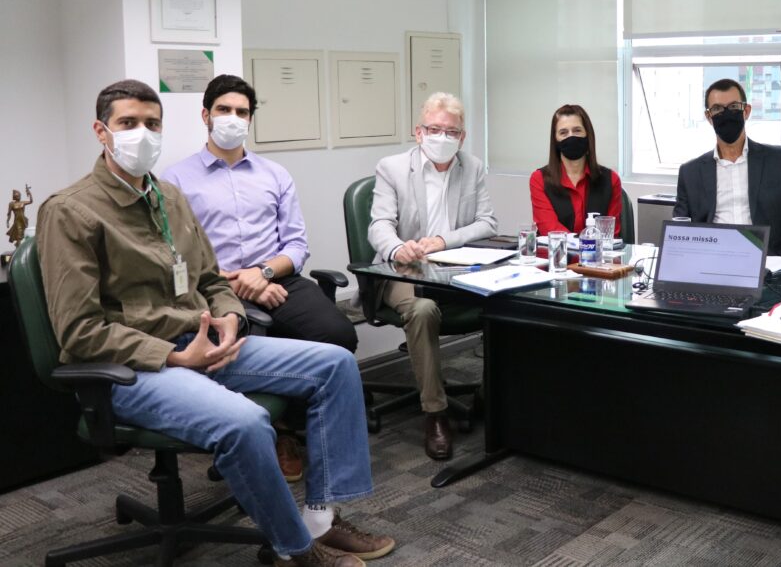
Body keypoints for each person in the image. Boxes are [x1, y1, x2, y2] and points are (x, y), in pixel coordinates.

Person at [37, 79, 393, 567]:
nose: (142, 134)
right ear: (102, 132)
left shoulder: (168, 197)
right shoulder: (70, 212)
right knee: (247, 421)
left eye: (152, 124)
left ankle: (320, 521)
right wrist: (177, 356)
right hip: (134, 365)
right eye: (128, 124)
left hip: (201, 342)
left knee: (335, 364)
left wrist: (229, 317)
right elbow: (78, 332)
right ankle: (297, 552)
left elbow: (209, 278)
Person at [164, 75, 359, 482]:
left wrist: (263, 273)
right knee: (233, 348)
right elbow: (175, 255)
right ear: (206, 115)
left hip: (277, 278)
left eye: (241, 112)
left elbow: (296, 245)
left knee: (338, 334)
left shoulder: (274, 174)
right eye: (224, 110)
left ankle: (295, 427)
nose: (232, 119)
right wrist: (237, 283)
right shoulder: (176, 181)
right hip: (212, 290)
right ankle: (263, 434)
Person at [368, 91, 496, 460]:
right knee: (422, 311)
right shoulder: (392, 168)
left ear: (462, 136)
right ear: (418, 131)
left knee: (503, 303)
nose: (442, 137)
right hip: (402, 271)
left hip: (454, 273)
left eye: (451, 131)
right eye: (434, 129)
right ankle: (435, 413)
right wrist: (397, 248)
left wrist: (444, 241)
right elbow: (379, 225)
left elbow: (488, 222)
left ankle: (493, 398)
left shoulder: (471, 167)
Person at [673, 78, 781, 259]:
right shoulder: (690, 172)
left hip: (768, 266)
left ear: (746, 111)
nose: (726, 114)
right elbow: (679, 228)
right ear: (709, 117)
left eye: (733, 107)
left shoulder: (778, 160)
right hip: (711, 264)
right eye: (717, 109)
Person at [529, 104, 622, 236]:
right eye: (563, 132)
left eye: (577, 130)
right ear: (555, 140)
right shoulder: (539, 179)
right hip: (557, 255)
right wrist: (584, 243)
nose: (571, 137)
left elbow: (611, 234)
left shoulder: (611, 180)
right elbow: (549, 228)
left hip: (597, 255)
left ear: (587, 135)